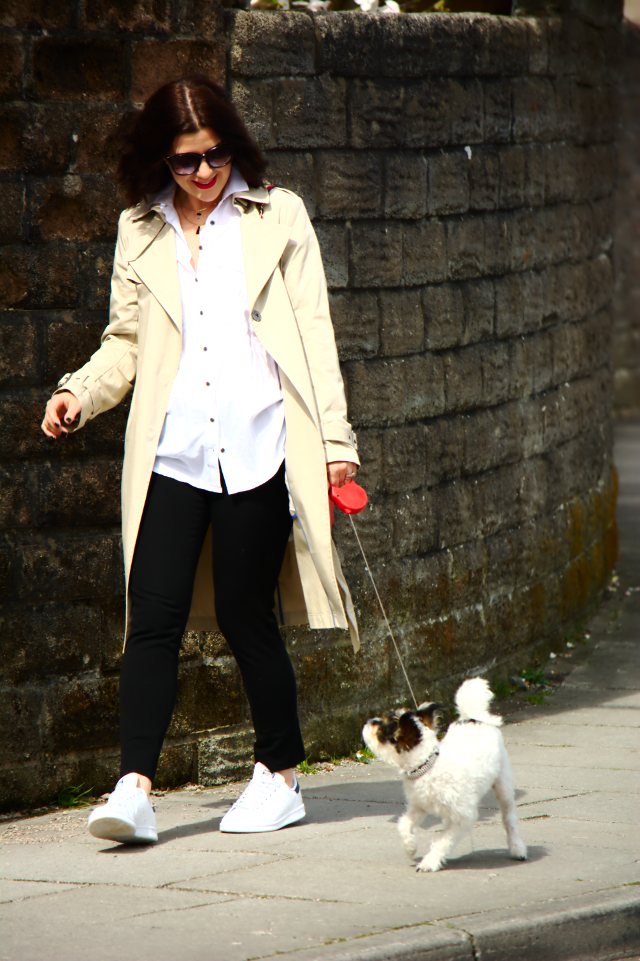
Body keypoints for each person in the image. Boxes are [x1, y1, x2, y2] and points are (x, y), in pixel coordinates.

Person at [41, 75, 360, 843]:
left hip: (258, 447)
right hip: (174, 451)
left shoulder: (276, 216)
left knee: (250, 616)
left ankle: (280, 775)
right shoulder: (139, 229)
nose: (206, 172)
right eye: (187, 160)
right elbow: (125, 341)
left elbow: (314, 333)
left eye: (216, 154)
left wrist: (336, 444)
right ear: (162, 158)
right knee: (151, 619)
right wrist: (78, 392)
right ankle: (134, 787)